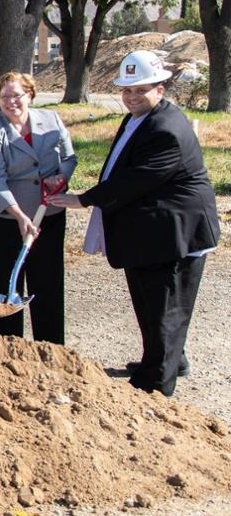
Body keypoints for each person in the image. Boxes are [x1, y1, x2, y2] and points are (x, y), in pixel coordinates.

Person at [48, 51, 219, 396]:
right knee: (150, 303)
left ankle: (156, 384)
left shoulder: (166, 129)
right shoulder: (140, 117)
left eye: (140, 90)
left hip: (173, 235)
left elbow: (136, 179)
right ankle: (167, 359)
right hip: (150, 233)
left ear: (161, 88)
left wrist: (85, 198)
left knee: (165, 309)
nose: (131, 97)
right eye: (126, 91)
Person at [0, 72, 76, 344]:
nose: (11, 102)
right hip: (5, 219)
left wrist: (62, 177)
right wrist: (18, 215)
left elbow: (69, 157)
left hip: (48, 215)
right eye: (4, 97)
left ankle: (51, 349)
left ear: (30, 94)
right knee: (6, 286)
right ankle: (8, 349)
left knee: (48, 283)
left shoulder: (51, 120)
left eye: (16, 95)